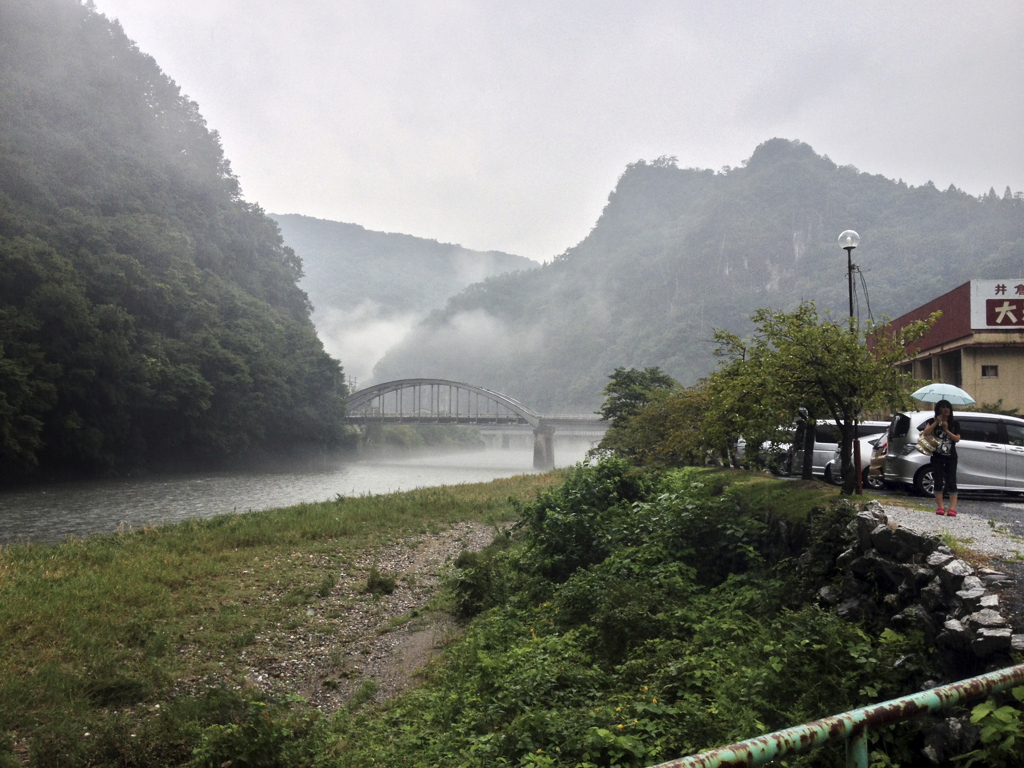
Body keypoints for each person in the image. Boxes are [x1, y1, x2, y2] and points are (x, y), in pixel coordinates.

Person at [921, 399, 961, 516]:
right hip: (937, 456)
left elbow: (957, 439)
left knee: (951, 481)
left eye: (947, 407)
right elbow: (926, 433)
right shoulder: (931, 421)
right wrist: (936, 423)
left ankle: (952, 508)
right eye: (943, 407)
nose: (945, 409)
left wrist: (946, 429)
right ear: (938, 409)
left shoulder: (955, 423)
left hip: (951, 457)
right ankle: (940, 507)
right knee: (938, 480)